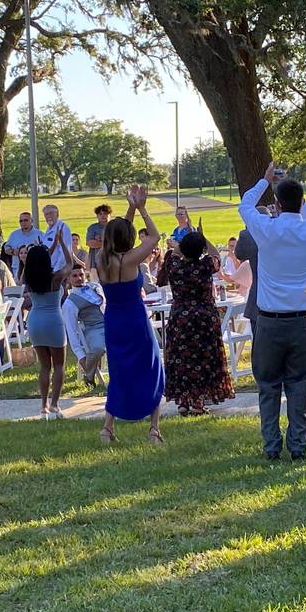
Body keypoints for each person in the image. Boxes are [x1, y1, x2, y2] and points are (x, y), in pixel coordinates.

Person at [238, 163, 306, 461]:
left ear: (276, 204)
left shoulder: (266, 230)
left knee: (268, 385)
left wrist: (265, 180)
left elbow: (245, 205)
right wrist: (288, 183)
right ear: (300, 202)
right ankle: (298, 444)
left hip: (269, 321)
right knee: (300, 384)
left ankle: (271, 445)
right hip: (301, 320)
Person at [97, 185, 165, 444]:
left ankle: (107, 427)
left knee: (119, 372)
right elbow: (154, 236)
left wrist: (131, 208)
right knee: (151, 368)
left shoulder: (102, 259)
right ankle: (154, 429)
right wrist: (142, 207)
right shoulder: (131, 260)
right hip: (135, 320)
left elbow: (119, 231)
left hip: (113, 321)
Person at [157, 230, 235, 416]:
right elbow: (215, 254)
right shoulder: (205, 266)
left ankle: (183, 401)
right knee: (202, 359)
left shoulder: (174, 266)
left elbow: (175, 254)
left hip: (180, 319)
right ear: (201, 251)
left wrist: (178, 248)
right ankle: (198, 404)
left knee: (182, 359)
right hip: (204, 320)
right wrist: (202, 235)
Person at [23, 233, 74, 419]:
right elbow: (69, 264)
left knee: (44, 366)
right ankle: (55, 404)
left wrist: (42, 250)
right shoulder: (55, 278)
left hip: (35, 321)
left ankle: (43, 406)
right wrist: (61, 243)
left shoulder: (29, 278)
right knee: (59, 364)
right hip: (53, 320)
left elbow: (36, 261)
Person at [62, 265, 106, 386]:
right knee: (98, 348)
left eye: (81, 275)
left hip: (111, 322)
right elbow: (71, 330)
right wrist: (80, 355)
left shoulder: (95, 287)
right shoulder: (69, 303)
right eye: (74, 276)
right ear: (69, 279)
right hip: (93, 328)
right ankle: (89, 374)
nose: (78, 278)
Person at [41, 204, 72, 272]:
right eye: (46, 214)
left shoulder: (63, 228)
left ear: (57, 214)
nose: (49, 216)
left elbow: (64, 252)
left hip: (56, 270)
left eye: (51, 213)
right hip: (47, 268)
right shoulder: (48, 229)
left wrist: (56, 270)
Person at [86, 204, 111, 271]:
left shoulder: (114, 227)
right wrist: (108, 244)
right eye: (100, 214)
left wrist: (98, 242)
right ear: (97, 216)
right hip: (95, 261)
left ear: (109, 215)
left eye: (105, 213)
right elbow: (90, 243)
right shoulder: (93, 228)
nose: (103, 216)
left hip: (112, 260)